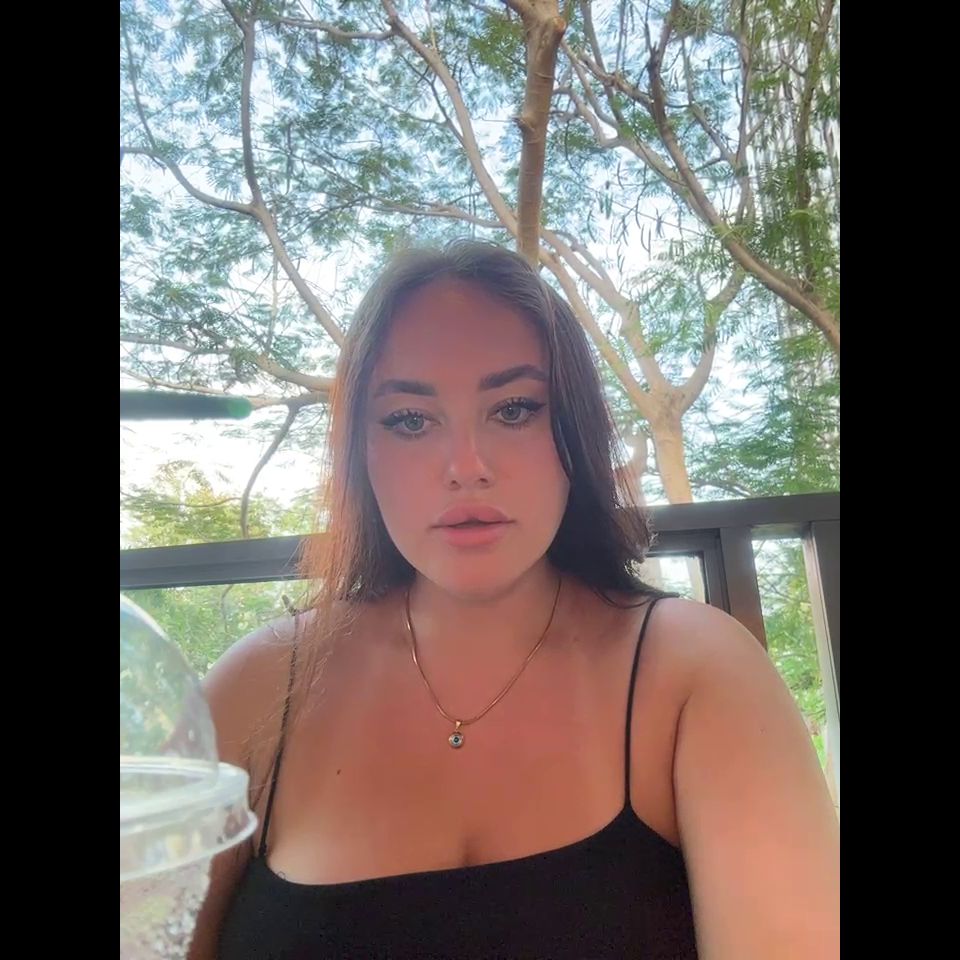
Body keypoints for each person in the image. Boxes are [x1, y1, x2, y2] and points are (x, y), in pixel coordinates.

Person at [189, 240, 839, 959]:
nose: (466, 467)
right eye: (410, 419)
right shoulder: (259, 689)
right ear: (359, 453)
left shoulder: (695, 675)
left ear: (574, 434)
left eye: (515, 409)